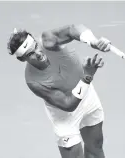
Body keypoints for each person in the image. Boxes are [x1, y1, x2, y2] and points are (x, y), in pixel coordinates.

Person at [7, 24, 111, 158]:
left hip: (87, 98)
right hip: (64, 116)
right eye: (30, 54)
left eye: (36, 47)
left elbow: (72, 29)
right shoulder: (33, 81)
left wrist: (93, 41)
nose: (38, 54)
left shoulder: (48, 40)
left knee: (95, 148)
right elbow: (68, 105)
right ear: (22, 59)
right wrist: (87, 76)